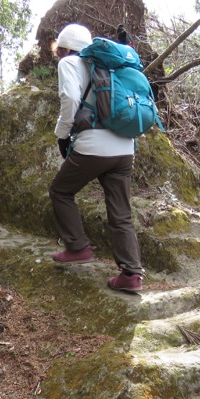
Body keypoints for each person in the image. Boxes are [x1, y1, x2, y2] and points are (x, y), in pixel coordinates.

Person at [47, 23, 144, 293]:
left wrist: (62, 134)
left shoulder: (70, 63)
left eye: (58, 50)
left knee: (60, 191)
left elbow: (69, 98)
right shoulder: (111, 66)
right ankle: (132, 274)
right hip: (125, 148)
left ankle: (78, 247)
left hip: (93, 147)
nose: (58, 55)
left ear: (65, 48)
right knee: (121, 214)